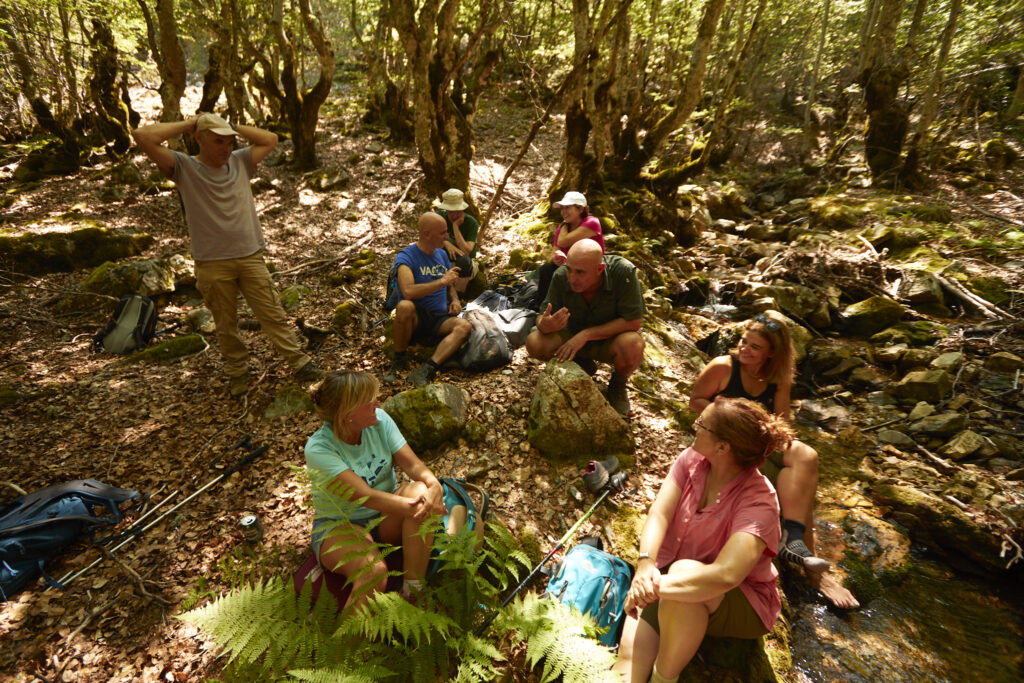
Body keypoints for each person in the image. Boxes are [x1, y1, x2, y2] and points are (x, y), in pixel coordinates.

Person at [131, 112, 321, 397]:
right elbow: (143, 136)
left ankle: (299, 362)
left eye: (230, 142)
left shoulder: (240, 161)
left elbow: (270, 139)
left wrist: (233, 128)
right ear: (199, 139)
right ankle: (238, 373)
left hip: (250, 256)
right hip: (212, 263)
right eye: (218, 141)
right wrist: (189, 124)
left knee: (273, 313)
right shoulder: (183, 167)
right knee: (226, 325)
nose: (225, 148)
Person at [613, 397, 792, 682]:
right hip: (671, 579)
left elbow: (726, 575)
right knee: (626, 667)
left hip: (739, 597)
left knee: (684, 573)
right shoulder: (692, 459)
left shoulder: (760, 500)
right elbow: (660, 512)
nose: (693, 426)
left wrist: (654, 587)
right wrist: (645, 566)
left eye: (701, 424)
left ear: (723, 447)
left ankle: (665, 677)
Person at [688, 314, 859, 609]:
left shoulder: (777, 379)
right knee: (798, 482)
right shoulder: (723, 368)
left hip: (759, 444)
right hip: (726, 443)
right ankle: (810, 566)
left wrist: (770, 437)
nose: (745, 349)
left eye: (755, 347)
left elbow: (783, 424)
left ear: (771, 354)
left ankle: (793, 539)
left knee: (807, 457)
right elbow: (694, 401)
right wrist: (733, 417)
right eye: (744, 342)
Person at [305, 370, 446, 608]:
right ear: (347, 414)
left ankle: (412, 595)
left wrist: (434, 486)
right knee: (374, 573)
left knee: (421, 491)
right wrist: (423, 505)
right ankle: (347, 644)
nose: (377, 403)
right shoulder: (319, 449)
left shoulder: (379, 420)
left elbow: (413, 464)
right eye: (369, 401)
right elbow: (365, 497)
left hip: (383, 519)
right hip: (339, 526)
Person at [525, 239, 645, 416]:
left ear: (600, 269)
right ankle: (581, 365)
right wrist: (546, 324)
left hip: (608, 341)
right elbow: (542, 318)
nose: (572, 278)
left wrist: (586, 334)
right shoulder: (560, 276)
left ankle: (618, 385)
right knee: (535, 341)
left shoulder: (622, 272)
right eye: (569, 269)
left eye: (580, 272)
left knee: (633, 344)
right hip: (569, 338)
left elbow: (634, 321)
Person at [384, 212, 472, 387]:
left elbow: (450, 285)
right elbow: (408, 291)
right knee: (404, 306)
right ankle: (399, 359)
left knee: (464, 326)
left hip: (439, 318)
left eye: (447, 232)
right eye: (442, 233)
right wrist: (441, 281)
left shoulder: (441, 255)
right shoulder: (406, 257)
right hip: (416, 316)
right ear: (426, 234)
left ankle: (428, 368)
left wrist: (454, 300)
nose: (447, 237)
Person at [535, 191, 605, 303]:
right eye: (562, 208)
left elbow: (563, 241)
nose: (563, 212)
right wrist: (557, 258)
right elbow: (554, 253)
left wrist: (563, 226)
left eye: (567, 208)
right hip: (568, 267)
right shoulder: (562, 228)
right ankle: (542, 308)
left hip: (588, 267)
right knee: (546, 270)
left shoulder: (592, 222)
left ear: (581, 209)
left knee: (564, 274)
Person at [433, 188, 480, 293]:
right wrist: (447, 243)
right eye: (451, 212)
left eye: (458, 211)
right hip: (443, 254)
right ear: (446, 210)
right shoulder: (439, 216)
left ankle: (457, 296)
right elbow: (430, 239)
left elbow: (467, 250)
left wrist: (455, 226)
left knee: (464, 261)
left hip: (465, 261)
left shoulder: (471, 223)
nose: (455, 216)